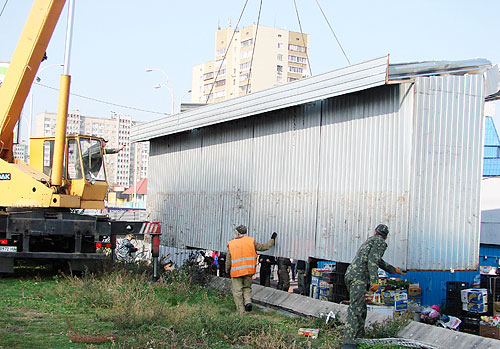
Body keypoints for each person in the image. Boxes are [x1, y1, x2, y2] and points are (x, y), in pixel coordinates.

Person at [342, 224, 407, 349]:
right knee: (356, 309)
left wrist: (393, 270)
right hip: (358, 278)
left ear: (374, 232)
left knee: (361, 309)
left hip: (351, 275)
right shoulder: (380, 242)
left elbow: (377, 260)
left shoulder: (370, 241)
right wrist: (374, 281)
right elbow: (373, 261)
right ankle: (349, 343)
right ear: (386, 237)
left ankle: (358, 339)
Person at [226, 225, 277, 313]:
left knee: (237, 291)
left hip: (236, 272)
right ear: (245, 232)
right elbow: (263, 247)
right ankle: (248, 302)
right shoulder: (251, 241)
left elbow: (228, 260)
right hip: (248, 271)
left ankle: (241, 311)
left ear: (238, 233)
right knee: (247, 288)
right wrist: (272, 239)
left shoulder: (231, 243)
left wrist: (227, 270)